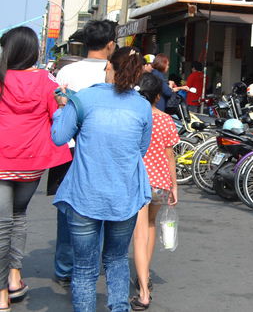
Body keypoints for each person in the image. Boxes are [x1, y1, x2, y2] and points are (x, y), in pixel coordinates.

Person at [52, 46, 152, 312]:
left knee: (84, 267)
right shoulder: (142, 107)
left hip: (85, 194)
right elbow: (140, 150)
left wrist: (62, 108)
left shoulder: (83, 99)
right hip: (125, 195)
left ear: (109, 66)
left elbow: (59, 137)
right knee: (117, 259)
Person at [0, 27, 73, 309]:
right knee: (18, 216)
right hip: (31, 161)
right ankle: (15, 277)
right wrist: (63, 102)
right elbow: (59, 117)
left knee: (2, 224)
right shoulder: (46, 80)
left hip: (2, 159)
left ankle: (3, 295)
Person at [51, 19, 118, 286]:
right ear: (111, 44)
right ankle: (90, 266)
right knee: (100, 210)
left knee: (67, 210)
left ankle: (65, 268)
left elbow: (58, 107)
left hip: (68, 151)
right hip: (102, 152)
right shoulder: (113, 72)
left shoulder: (66, 72)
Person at [130, 73, 180, 310]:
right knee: (150, 224)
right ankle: (145, 273)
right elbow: (170, 156)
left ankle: (143, 291)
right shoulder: (166, 120)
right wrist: (174, 185)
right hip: (160, 182)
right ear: (158, 96)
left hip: (138, 182)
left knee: (139, 232)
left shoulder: (133, 118)